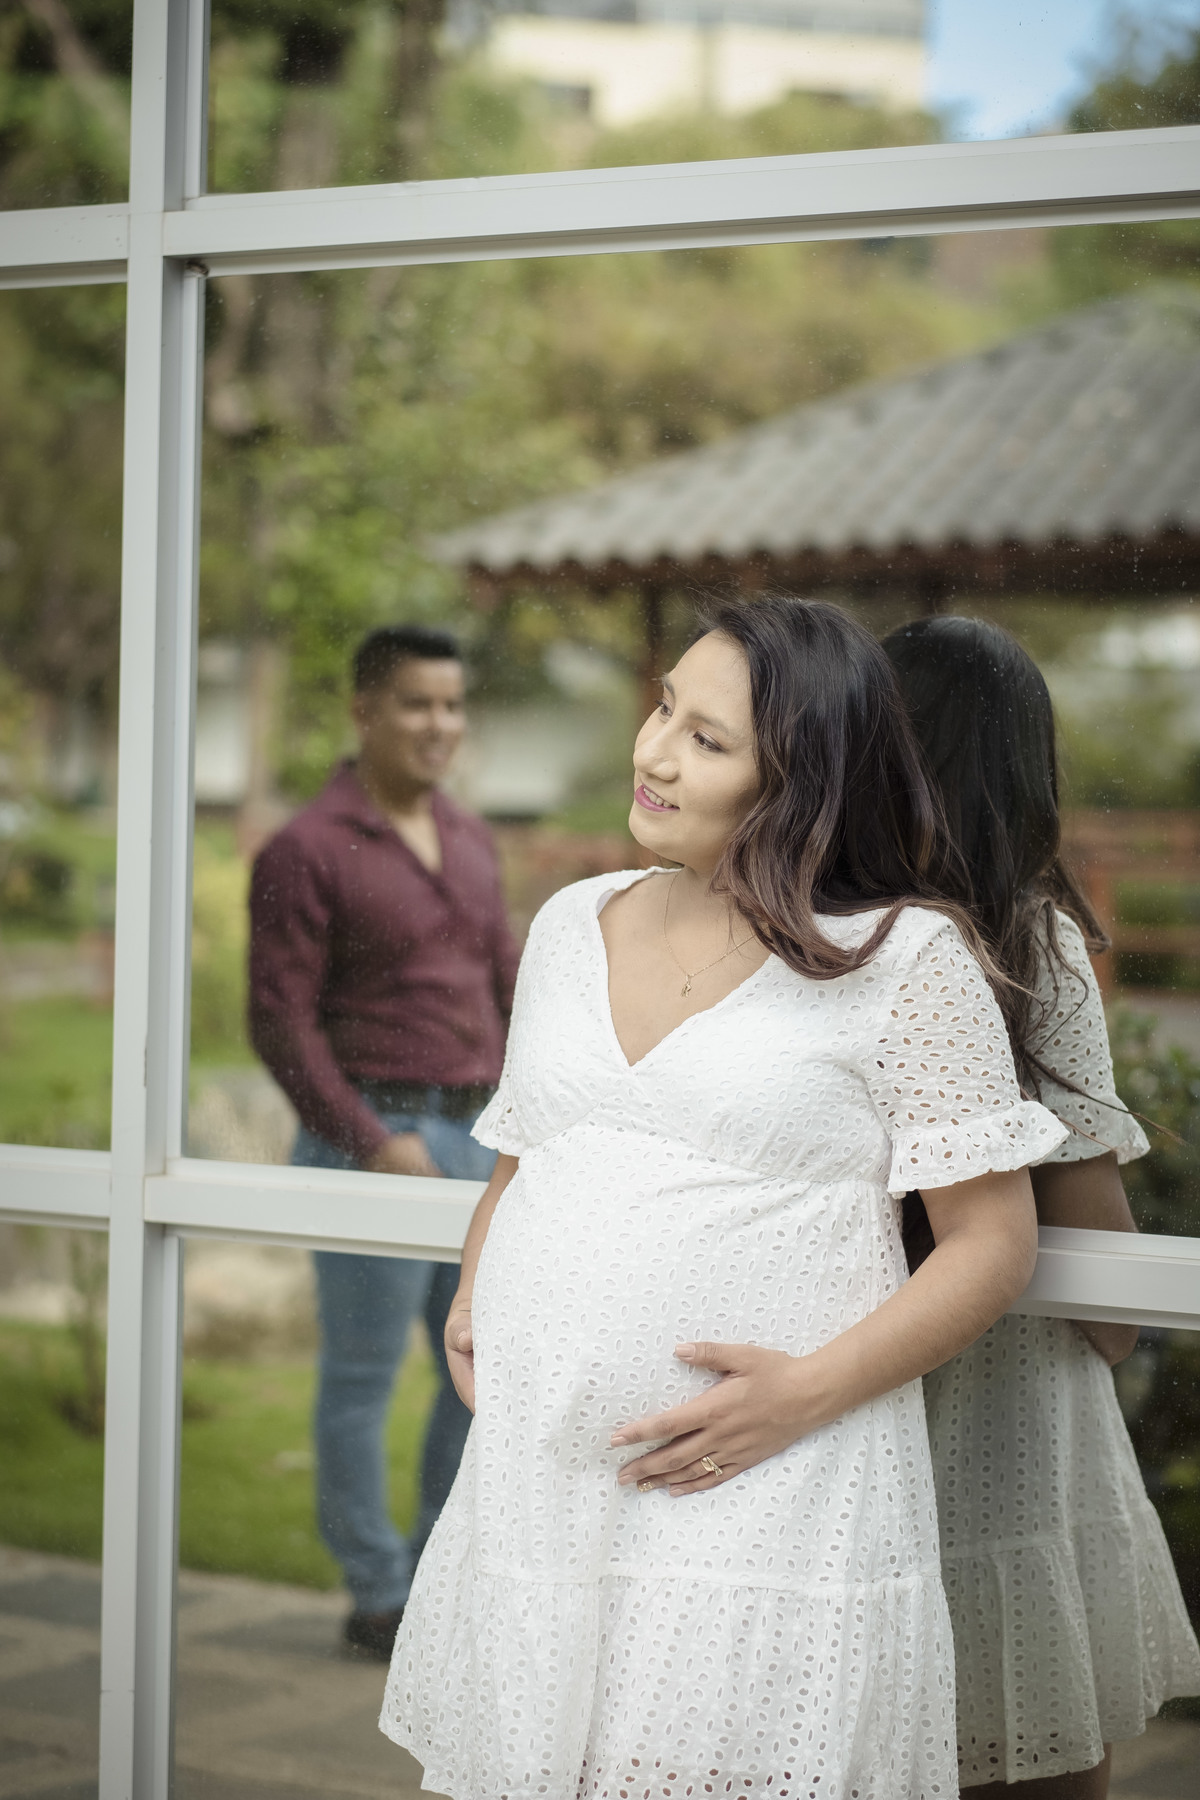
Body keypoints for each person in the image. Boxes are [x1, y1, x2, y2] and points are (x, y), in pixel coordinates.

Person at [379, 595, 1073, 1800]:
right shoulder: (567, 925)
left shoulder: (906, 961)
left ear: (802, 780)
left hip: (774, 1491)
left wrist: (803, 1395)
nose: (652, 753)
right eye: (664, 709)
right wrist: (477, 1284)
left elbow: (992, 1243)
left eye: (707, 740)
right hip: (546, 1480)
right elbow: (531, 1145)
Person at [882, 615, 1200, 1798]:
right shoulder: (1029, 941)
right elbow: (1107, 1300)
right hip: (1014, 1439)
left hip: (853, 1411)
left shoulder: (811, 930)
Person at [249, 623, 520, 1660]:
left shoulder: (468, 837)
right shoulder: (307, 848)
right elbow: (280, 1020)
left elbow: (506, 986)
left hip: (473, 1137)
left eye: (452, 705)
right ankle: (376, 1594)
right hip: (370, 1138)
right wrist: (368, 1141)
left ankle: (437, 1580)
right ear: (364, 710)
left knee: (476, 1371)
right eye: (417, 704)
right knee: (361, 1378)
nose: (439, 725)